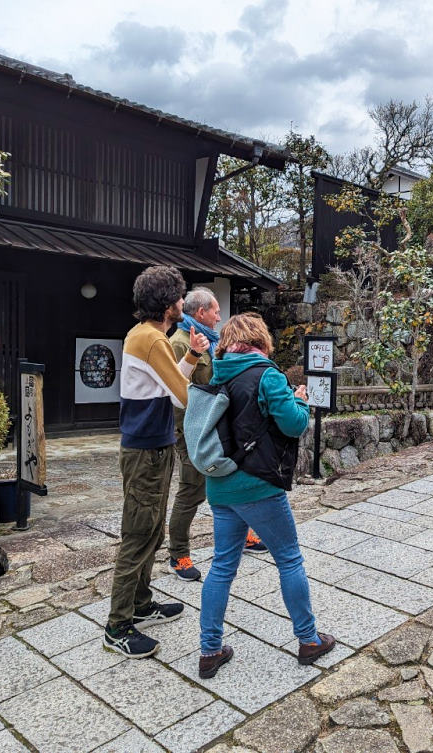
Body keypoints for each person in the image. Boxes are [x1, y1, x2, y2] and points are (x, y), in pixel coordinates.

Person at [193, 313, 336, 678]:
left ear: (227, 341)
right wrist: (300, 401)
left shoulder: (214, 370)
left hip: (220, 484)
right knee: (289, 559)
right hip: (258, 484)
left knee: (222, 566)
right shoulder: (266, 374)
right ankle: (308, 640)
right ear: (260, 340)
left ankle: (210, 650)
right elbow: (293, 424)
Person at [104, 266, 210, 659]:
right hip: (147, 451)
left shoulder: (147, 337)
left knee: (150, 530)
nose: (184, 303)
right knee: (138, 534)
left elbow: (167, 386)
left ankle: (142, 604)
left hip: (151, 446)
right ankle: (117, 625)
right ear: (168, 304)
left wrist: (193, 354)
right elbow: (182, 396)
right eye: (181, 298)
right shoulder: (152, 340)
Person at [168, 288, 266, 583]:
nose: (219, 315)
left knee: (231, 479)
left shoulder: (213, 342)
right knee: (191, 490)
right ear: (201, 313)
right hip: (191, 429)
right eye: (215, 311)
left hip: (218, 426)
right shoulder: (179, 343)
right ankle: (178, 553)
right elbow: (175, 389)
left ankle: (244, 534)